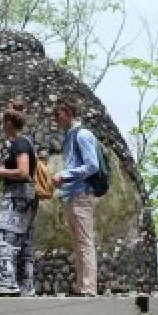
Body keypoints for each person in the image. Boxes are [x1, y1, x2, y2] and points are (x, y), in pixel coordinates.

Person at [51, 95, 100, 296]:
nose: (56, 119)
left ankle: (88, 287)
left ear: (69, 112)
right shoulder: (71, 136)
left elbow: (92, 165)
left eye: (58, 114)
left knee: (85, 242)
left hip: (81, 195)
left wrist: (65, 175)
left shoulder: (82, 135)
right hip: (72, 194)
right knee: (78, 243)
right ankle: (82, 286)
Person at [0, 101, 37, 296]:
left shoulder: (20, 143)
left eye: (3, 121)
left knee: (3, 237)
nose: (1, 125)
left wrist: (1, 171)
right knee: (24, 243)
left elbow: (24, 171)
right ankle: (26, 286)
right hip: (26, 196)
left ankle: (7, 283)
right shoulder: (25, 142)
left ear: (8, 122)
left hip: (18, 196)